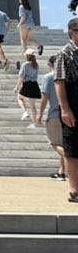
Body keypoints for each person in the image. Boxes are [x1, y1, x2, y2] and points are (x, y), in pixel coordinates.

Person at [54, 17, 78, 203]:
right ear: (71, 33)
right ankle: (74, 189)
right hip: (73, 104)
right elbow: (59, 82)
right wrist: (65, 109)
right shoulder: (64, 53)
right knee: (72, 150)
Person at [37, 55, 66, 180]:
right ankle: (61, 172)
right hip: (68, 114)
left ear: (50, 64)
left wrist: (40, 114)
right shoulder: (67, 77)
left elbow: (45, 98)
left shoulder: (48, 77)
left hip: (54, 114)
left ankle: (70, 158)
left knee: (54, 143)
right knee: (62, 143)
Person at [14, 48, 41, 126]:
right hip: (34, 84)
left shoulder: (25, 65)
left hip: (27, 84)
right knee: (32, 105)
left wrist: (16, 87)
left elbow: (21, 77)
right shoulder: (36, 65)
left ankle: (25, 112)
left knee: (20, 98)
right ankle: (34, 122)